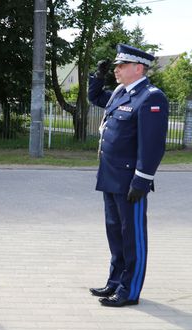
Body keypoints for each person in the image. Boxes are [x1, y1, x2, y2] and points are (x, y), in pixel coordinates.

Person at [88, 44, 169, 307]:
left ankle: (129, 291)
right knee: (115, 232)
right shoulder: (122, 94)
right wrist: (97, 77)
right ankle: (115, 281)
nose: (116, 70)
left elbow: (152, 145)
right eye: (115, 66)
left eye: (120, 66)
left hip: (130, 181)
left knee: (132, 235)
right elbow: (95, 97)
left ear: (138, 68)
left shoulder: (151, 97)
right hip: (110, 176)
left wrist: (142, 180)